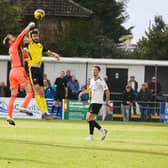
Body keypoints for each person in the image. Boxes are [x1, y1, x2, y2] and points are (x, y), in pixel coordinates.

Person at [2, 22, 35, 125]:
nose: (14, 37)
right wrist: (29, 26)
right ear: (10, 41)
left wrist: (27, 54)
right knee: (30, 92)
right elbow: (21, 35)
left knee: (13, 96)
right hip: (19, 71)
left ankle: (9, 116)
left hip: (12, 72)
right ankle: (23, 107)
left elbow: (21, 57)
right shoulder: (15, 44)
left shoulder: (11, 49)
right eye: (12, 37)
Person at [24, 29, 60, 119]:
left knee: (42, 93)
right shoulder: (29, 44)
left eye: (37, 36)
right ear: (31, 37)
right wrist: (30, 30)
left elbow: (48, 52)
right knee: (37, 90)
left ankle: (46, 113)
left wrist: (55, 55)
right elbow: (24, 38)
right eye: (34, 36)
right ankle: (42, 112)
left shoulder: (40, 45)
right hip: (32, 69)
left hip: (39, 69)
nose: (36, 37)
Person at [79, 65, 110, 141]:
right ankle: (96, 134)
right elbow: (89, 89)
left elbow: (107, 92)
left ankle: (99, 132)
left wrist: (106, 102)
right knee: (88, 119)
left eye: (95, 70)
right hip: (93, 102)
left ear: (98, 71)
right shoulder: (92, 79)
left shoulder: (101, 81)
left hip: (98, 102)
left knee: (89, 119)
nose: (94, 71)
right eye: (93, 70)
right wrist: (82, 93)